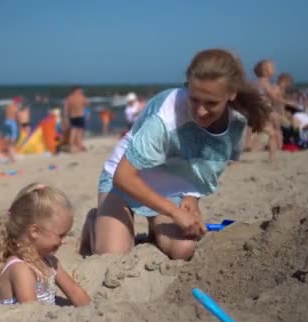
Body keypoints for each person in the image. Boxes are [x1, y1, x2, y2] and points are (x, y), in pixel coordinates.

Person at [80, 49, 270, 260]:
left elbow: (205, 167)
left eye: (211, 103)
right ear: (187, 85)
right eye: (194, 99)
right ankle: (94, 221)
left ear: (231, 93)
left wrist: (191, 196)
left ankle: (155, 229)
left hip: (169, 187)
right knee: (112, 255)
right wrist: (175, 212)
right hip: (123, 180)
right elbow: (123, 176)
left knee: (184, 250)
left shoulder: (236, 123)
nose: (200, 111)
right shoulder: (165, 116)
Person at [0, 183, 90, 306]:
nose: (63, 241)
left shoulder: (49, 262)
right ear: (34, 231)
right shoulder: (20, 269)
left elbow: (75, 292)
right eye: (61, 235)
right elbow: (30, 312)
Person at [64, 86, 88, 152]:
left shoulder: (69, 98)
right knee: (79, 132)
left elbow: (66, 108)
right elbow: (86, 104)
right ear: (77, 90)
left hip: (72, 116)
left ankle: (71, 146)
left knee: (73, 131)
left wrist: (65, 117)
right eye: (80, 90)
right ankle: (79, 145)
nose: (81, 91)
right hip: (80, 116)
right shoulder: (81, 97)